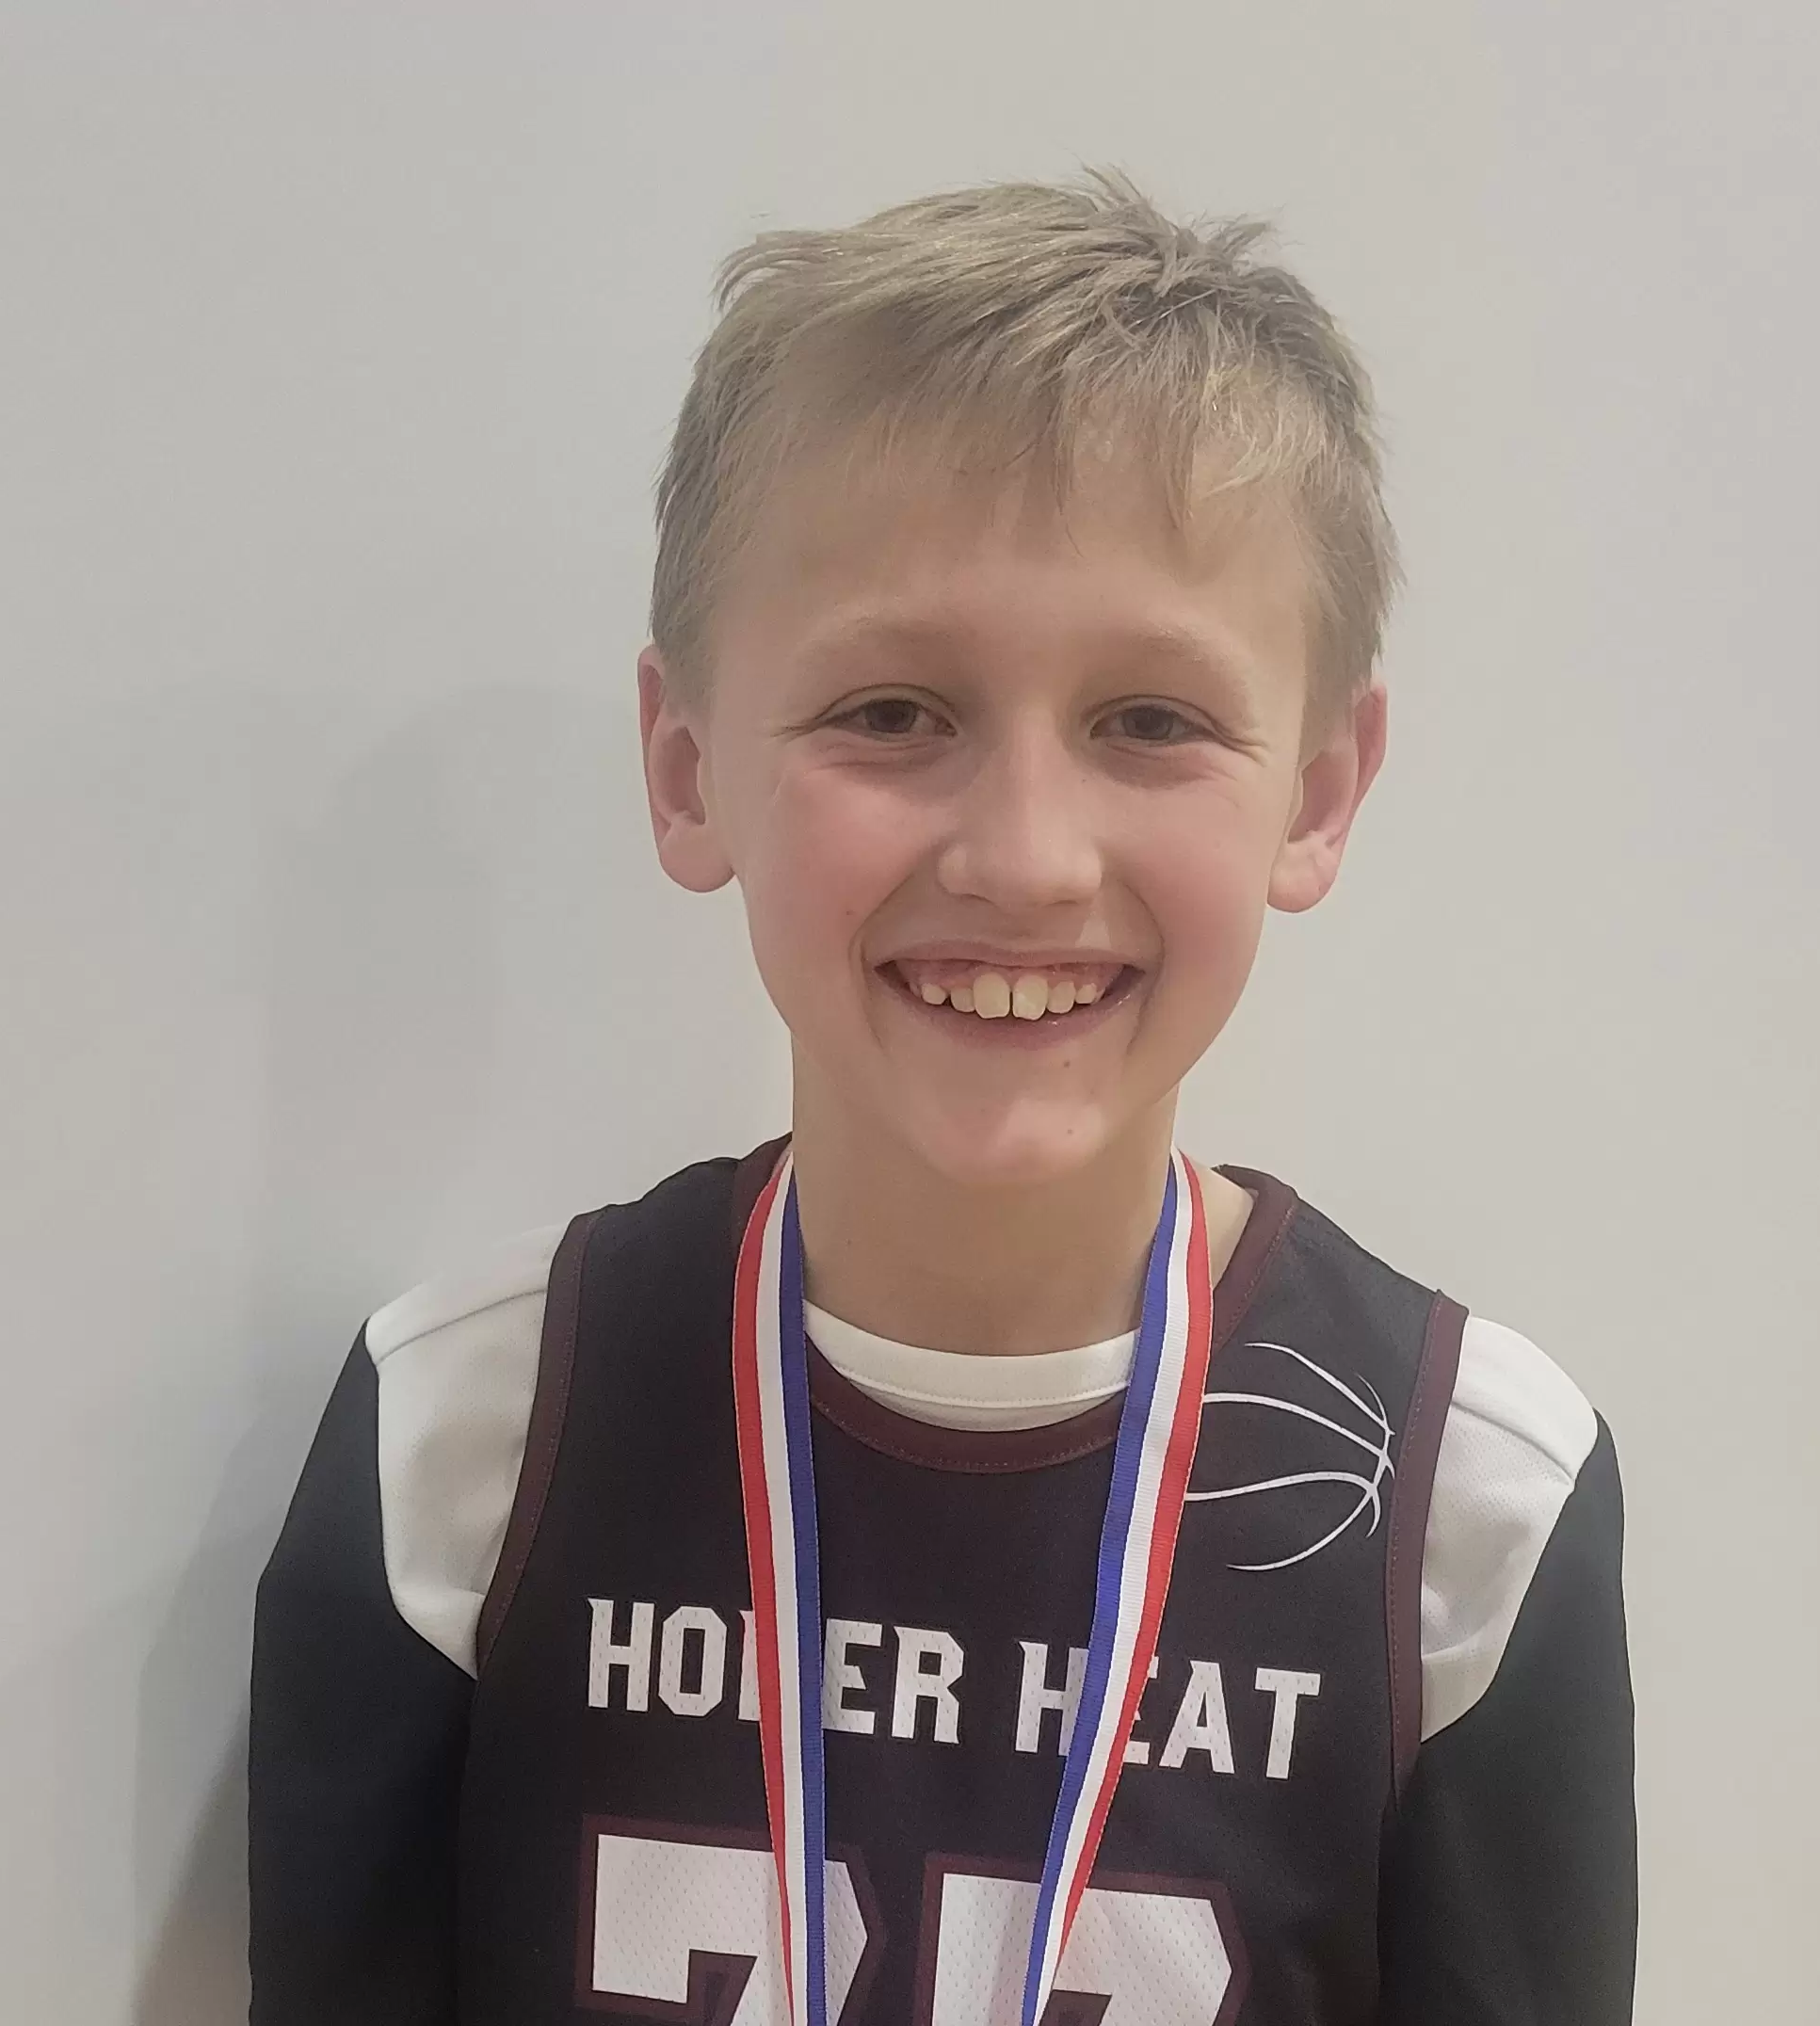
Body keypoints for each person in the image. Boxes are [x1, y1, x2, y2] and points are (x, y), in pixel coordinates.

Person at [249, 170, 1635, 2026]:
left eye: (1151, 719)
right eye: (892, 711)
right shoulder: (465, 1433)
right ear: (687, 767)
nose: (1026, 856)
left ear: (1316, 792)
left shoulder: (1467, 1492)